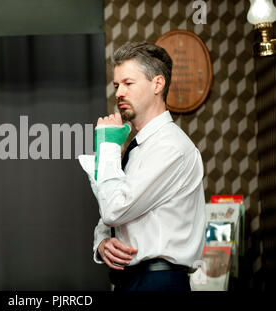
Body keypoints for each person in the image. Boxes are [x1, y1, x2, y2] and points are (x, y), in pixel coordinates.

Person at [79, 42, 206, 291]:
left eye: (128, 83)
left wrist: (108, 148)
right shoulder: (138, 148)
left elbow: (115, 209)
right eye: (116, 85)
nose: (118, 93)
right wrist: (103, 242)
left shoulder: (170, 147)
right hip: (132, 280)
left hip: (159, 282)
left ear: (157, 84)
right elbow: (112, 213)